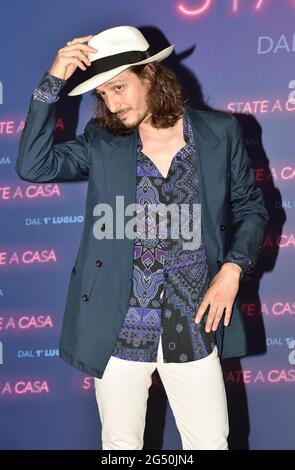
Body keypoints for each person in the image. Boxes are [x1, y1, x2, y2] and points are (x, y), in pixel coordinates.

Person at [16, 26, 269, 450]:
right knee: (120, 446)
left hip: (193, 320)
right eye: (103, 95)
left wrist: (232, 269)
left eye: (119, 87)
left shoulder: (218, 133)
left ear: (149, 75)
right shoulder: (102, 141)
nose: (112, 104)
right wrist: (53, 79)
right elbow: (33, 165)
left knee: (211, 443)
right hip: (118, 324)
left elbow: (251, 209)